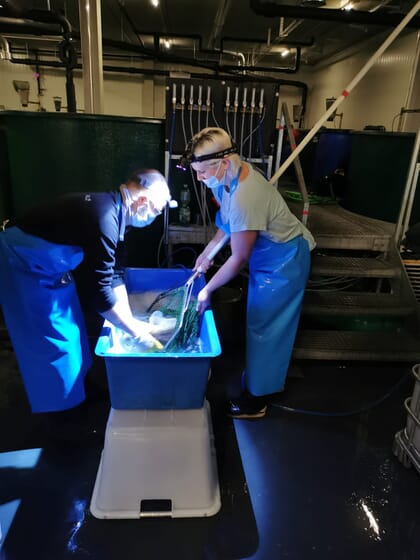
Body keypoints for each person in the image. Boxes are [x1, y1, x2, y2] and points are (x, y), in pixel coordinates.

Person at [0, 168, 172, 415]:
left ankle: (81, 387)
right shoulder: (104, 218)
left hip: (50, 266)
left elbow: (115, 274)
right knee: (52, 338)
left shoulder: (119, 215)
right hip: (21, 261)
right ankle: (61, 409)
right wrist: (136, 333)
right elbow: (99, 293)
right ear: (143, 201)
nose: (155, 216)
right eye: (157, 211)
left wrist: (129, 320)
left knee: (74, 327)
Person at [183, 127, 316, 419]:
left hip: (285, 258)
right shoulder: (227, 178)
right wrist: (207, 255)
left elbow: (239, 257)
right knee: (258, 321)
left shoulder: (247, 195)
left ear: (225, 162)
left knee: (267, 327)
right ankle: (257, 379)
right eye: (196, 171)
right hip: (266, 254)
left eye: (203, 171)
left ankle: (257, 400)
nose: (199, 178)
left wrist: (207, 291)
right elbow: (228, 226)